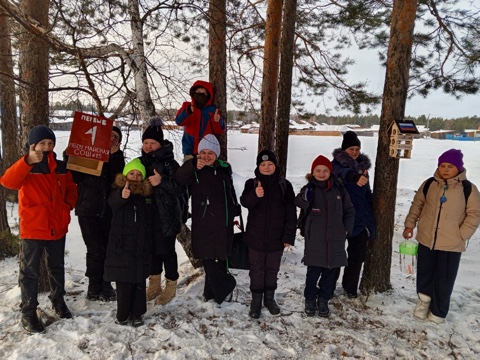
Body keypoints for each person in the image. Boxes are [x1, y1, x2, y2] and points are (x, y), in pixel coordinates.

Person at [0, 125, 78, 334]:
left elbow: (71, 188)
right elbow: (7, 182)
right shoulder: (26, 166)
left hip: (57, 226)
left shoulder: (60, 166)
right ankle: (28, 312)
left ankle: (58, 301)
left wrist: (67, 205)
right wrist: (26, 162)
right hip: (34, 227)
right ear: (32, 145)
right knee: (30, 272)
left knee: (57, 267)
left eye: (50, 143)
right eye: (42, 143)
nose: (46, 147)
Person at [403, 149, 480, 324]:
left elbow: (474, 214)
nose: (445, 169)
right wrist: (410, 224)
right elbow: (417, 205)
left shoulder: (468, 189)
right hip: (426, 240)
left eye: (450, 166)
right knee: (425, 273)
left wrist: (462, 235)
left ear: (459, 168)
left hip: (451, 244)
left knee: (444, 278)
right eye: (442, 166)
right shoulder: (430, 184)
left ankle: (439, 311)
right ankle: (424, 302)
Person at [174, 134, 238, 305]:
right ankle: (226, 285)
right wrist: (192, 165)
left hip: (224, 220)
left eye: (210, 153)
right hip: (204, 221)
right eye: (203, 152)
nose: (206, 156)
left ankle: (211, 292)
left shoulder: (225, 168)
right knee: (208, 257)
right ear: (198, 154)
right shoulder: (194, 169)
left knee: (221, 256)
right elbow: (179, 179)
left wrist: (235, 212)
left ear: (216, 154)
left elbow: (230, 192)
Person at [67, 126, 125, 301]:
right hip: (88, 209)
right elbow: (75, 176)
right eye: (110, 136)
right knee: (93, 249)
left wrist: (115, 156)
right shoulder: (88, 155)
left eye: (116, 137)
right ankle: (94, 285)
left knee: (107, 248)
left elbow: (118, 181)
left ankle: (106, 284)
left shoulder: (117, 158)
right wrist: (71, 153)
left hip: (109, 210)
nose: (112, 139)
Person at [295, 155, 355, 317]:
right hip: (315, 239)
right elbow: (299, 202)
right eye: (318, 170)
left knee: (330, 273)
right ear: (312, 172)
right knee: (313, 272)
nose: (321, 173)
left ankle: (323, 299)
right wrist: (304, 197)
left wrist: (346, 230)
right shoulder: (310, 189)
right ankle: (309, 299)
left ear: (330, 172)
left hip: (336, 239)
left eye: (325, 170)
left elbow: (349, 211)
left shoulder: (339, 189)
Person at [240, 150, 296, 318]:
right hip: (255, 238)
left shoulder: (284, 185)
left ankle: (269, 299)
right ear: (258, 166)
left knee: (272, 269)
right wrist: (255, 195)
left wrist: (288, 236)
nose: (267, 167)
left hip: (276, 239)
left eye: (270, 164)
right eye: (263, 164)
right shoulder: (252, 183)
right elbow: (245, 202)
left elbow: (291, 213)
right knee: (256, 270)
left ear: (275, 166)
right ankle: (256, 301)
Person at [139, 117, 185, 305]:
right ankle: (154, 285)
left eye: (152, 143)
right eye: (146, 142)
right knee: (152, 252)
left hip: (167, 216)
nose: (148, 146)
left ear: (160, 143)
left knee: (167, 252)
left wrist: (162, 182)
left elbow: (181, 188)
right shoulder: (141, 161)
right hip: (148, 216)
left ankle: (171, 286)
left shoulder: (169, 164)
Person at [104, 159, 153, 327]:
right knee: (123, 281)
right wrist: (121, 196)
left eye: (139, 175)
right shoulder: (118, 190)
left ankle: (137, 313)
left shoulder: (146, 195)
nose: (135, 177)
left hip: (140, 244)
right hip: (121, 244)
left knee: (139, 280)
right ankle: (123, 314)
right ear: (125, 175)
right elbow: (112, 203)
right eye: (132, 173)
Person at [331, 131, 375, 298]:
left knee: (357, 257)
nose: (355, 152)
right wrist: (354, 176)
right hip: (340, 219)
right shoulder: (334, 165)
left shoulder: (364, 169)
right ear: (344, 150)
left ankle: (350, 287)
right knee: (336, 256)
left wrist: (369, 217)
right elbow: (342, 173)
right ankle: (328, 287)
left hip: (359, 220)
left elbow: (367, 194)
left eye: (357, 148)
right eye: (351, 148)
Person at [175, 80, 226, 159]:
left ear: (208, 95)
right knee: (189, 170)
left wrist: (217, 121)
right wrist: (187, 112)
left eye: (203, 93)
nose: (200, 95)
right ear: (193, 93)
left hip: (206, 151)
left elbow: (219, 130)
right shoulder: (187, 106)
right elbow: (179, 121)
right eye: (198, 92)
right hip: (189, 149)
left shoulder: (212, 110)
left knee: (205, 171)